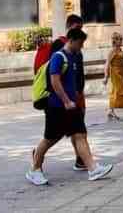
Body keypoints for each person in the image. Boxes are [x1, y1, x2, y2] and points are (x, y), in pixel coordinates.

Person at [27, 27, 112, 185]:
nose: (81, 46)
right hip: (56, 106)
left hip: (72, 107)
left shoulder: (74, 56)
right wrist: (66, 100)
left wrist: (75, 100)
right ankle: (35, 169)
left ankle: (93, 169)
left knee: (80, 135)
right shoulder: (58, 57)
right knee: (50, 139)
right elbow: (54, 81)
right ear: (71, 41)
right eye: (80, 43)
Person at [33, 14, 88, 171]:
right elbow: (55, 78)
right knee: (52, 137)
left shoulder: (76, 50)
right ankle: (36, 162)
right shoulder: (59, 49)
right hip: (59, 101)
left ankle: (86, 163)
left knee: (79, 132)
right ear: (70, 28)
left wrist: (78, 94)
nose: (80, 32)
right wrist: (66, 100)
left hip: (73, 97)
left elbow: (78, 74)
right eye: (77, 28)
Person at [104, 32, 123, 120]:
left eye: (121, 39)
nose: (121, 41)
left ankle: (111, 111)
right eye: (119, 39)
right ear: (115, 41)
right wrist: (106, 77)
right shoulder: (112, 51)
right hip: (116, 74)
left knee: (116, 91)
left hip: (122, 74)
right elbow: (107, 64)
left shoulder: (120, 50)